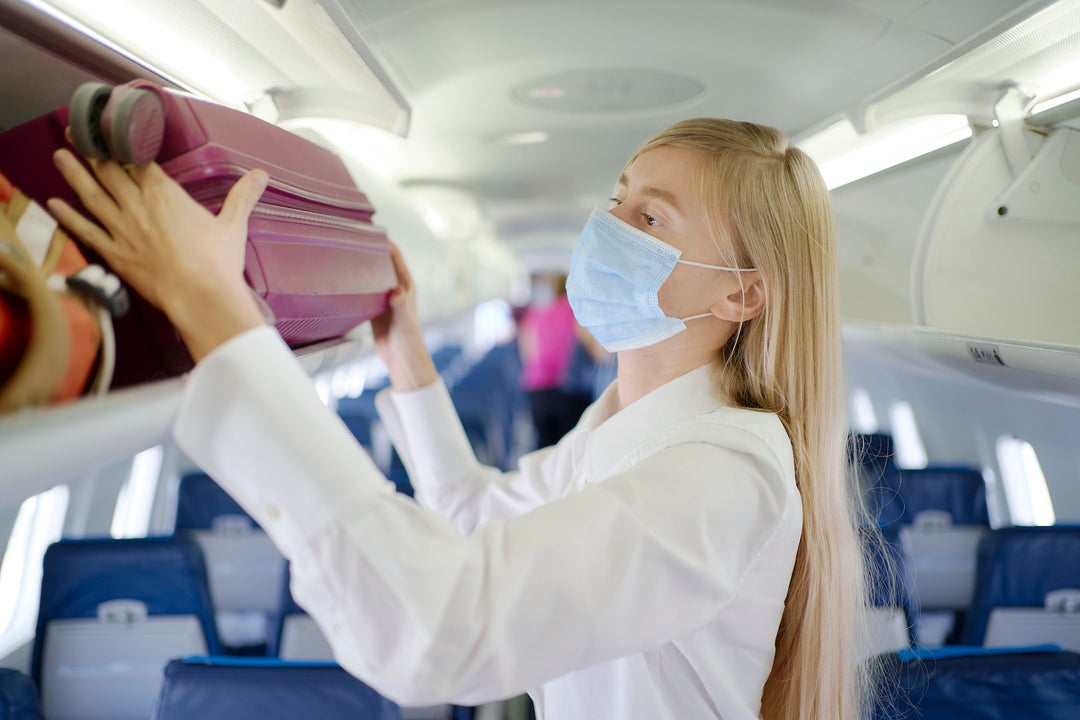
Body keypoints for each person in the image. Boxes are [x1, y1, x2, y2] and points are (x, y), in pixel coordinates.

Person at [48, 118, 871, 720]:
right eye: (616, 200)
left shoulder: (721, 474)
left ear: (741, 292)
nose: (604, 230)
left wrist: (217, 314)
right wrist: (407, 355)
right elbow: (474, 517)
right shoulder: (618, 430)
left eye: (651, 219)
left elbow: (441, 626)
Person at [517, 273, 593, 448]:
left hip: (537, 386)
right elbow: (590, 346)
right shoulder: (576, 312)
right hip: (569, 387)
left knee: (544, 443)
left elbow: (529, 353)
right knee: (570, 445)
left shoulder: (533, 314)